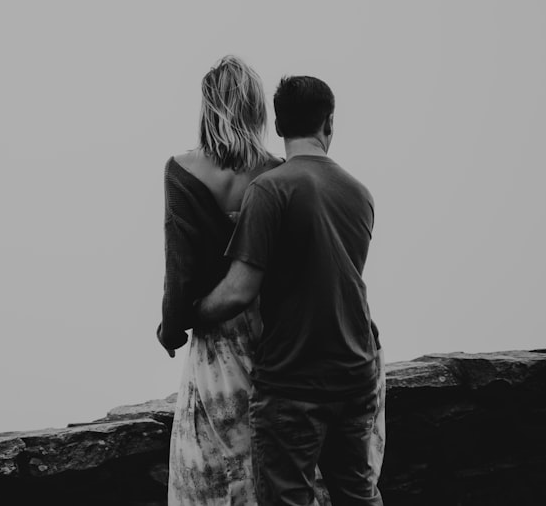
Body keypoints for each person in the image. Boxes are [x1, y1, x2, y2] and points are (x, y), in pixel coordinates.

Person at [195, 76, 383, 506]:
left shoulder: (269, 189)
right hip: (357, 372)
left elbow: (239, 292)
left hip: (294, 379)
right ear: (329, 123)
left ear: (278, 126)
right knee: (358, 492)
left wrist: (194, 311)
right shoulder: (360, 194)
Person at [158, 55, 284, 505]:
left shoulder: (181, 170)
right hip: (274, 339)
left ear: (208, 106)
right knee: (270, 459)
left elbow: (180, 268)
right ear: (255, 108)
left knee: (210, 464)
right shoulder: (278, 172)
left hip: (216, 335)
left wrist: (171, 327)